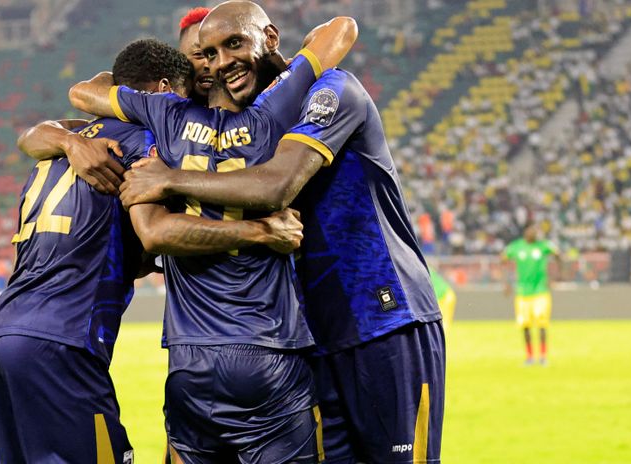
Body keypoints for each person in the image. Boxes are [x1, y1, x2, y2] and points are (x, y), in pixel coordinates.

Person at [116, 2, 445, 462]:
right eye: (208, 57)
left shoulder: (333, 89)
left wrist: (169, 180)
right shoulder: (251, 125)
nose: (218, 67)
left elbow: (277, 185)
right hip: (308, 339)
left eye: (233, 45)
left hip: (381, 319)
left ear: (269, 38)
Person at [0, 39, 304, 464]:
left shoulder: (73, 138)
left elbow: (36, 135)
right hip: (63, 339)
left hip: (1, 332)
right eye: (183, 96)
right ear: (165, 89)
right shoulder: (143, 140)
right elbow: (155, 231)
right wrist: (260, 231)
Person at [64, 14, 357, 462]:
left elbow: (83, 92)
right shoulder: (273, 112)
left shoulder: (163, 114)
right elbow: (341, 29)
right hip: (267, 350)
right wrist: (283, 61)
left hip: (189, 361)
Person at [502, 224, 560, 366]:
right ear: (525, 232)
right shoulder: (516, 247)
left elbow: (558, 255)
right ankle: (529, 356)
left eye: (535, 230)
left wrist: (555, 276)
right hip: (522, 293)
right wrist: (507, 282)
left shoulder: (543, 246)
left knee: (542, 325)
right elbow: (503, 260)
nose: (533, 232)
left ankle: (543, 357)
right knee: (525, 326)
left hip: (540, 292)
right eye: (531, 230)